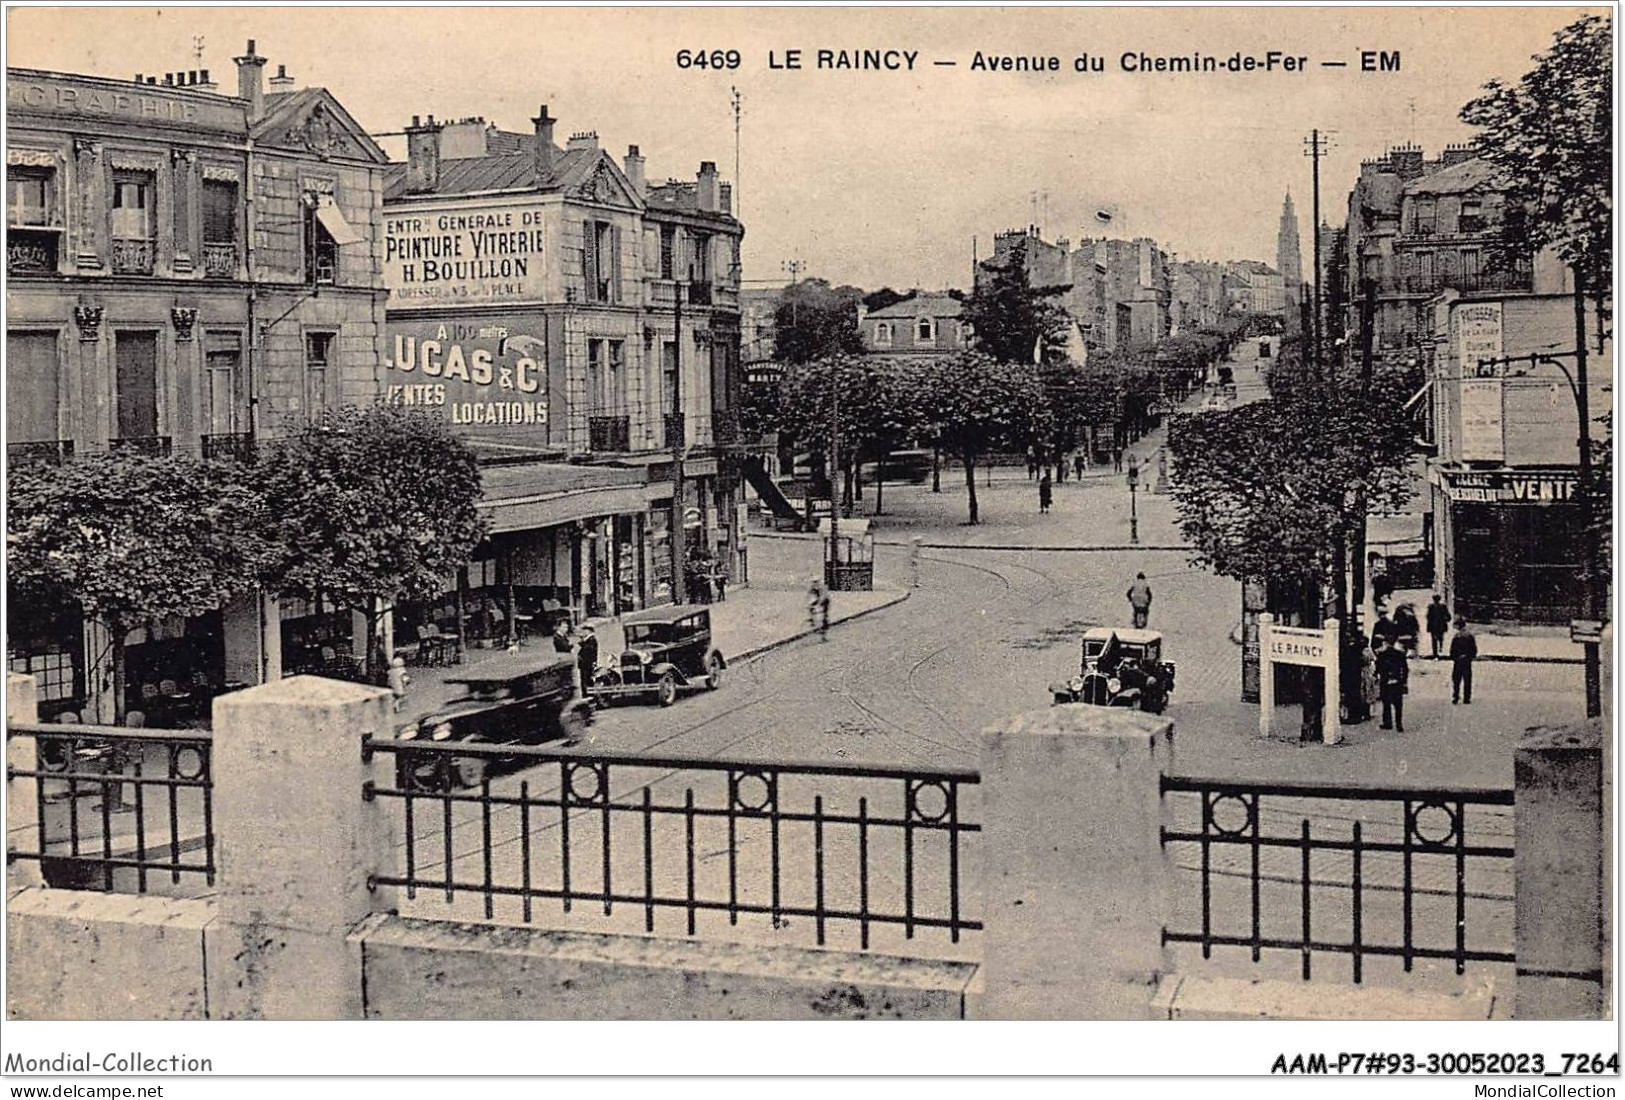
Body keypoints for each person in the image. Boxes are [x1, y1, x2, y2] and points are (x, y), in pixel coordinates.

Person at [1375, 636, 1409, 732]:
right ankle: (1399, 724)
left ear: (1385, 643)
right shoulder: (1400, 655)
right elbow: (1405, 669)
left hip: (1385, 681)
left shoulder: (1382, 655)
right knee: (1398, 704)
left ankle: (1387, 722)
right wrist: (1404, 681)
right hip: (1397, 680)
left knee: (1386, 703)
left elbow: (1378, 669)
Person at [1449, 615, 1478, 705]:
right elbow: (1474, 649)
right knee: (1467, 679)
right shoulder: (1469, 636)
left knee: (1456, 679)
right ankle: (1467, 697)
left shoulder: (1456, 636)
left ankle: (1456, 696)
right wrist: (1470, 657)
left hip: (1458, 661)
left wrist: (1454, 657)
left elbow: (1452, 650)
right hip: (1466, 660)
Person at [576, 623, 598, 696]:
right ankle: (588, 695)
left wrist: (582, 643)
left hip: (587, 664)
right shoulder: (588, 640)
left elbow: (587, 651)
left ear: (589, 631)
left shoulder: (591, 640)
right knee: (586, 680)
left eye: (585, 631)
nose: (583, 632)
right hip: (586, 664)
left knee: (586, 680)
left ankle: (588, 695)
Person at [1425, 594, 1451, 659]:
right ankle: (1440, 648)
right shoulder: (1442, 606)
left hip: (1433, 625)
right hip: (1440, 625)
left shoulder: (1431, 607)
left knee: (1434, 639)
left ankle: (1435, 652)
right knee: (1440, 637)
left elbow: (1427, 616)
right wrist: (1447, 619)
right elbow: (1448, 615)